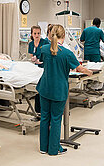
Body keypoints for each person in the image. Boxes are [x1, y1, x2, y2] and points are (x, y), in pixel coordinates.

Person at [37, 24, 92, 156]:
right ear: (64, 35)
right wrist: (89, 72)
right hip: (58, 90)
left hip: (45, 88)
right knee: (56, 119)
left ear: (51, 35)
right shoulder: (67, 54)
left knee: (45, 117)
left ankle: (43, 148)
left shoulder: (44, 49)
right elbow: (79, 68)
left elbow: (44, 61)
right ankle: (54, 149)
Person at [28, 25, 49, 118]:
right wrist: (33, 59)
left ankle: (42, 110)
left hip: (44, 66)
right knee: (37, 88)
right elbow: (31, 55)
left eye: (38, 33)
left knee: (41, 88)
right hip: (36, 68)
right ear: (32, 34)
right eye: (35, 33)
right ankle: (38, 111)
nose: (37, 35)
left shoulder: (45, 42)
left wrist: (42, 60)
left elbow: (48, 54)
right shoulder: (31, 44)